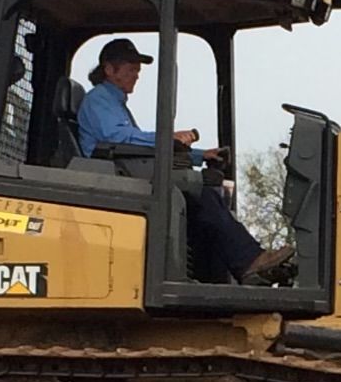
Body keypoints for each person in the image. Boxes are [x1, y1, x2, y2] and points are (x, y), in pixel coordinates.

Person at [77, 38, 293, 283]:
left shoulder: (114, 104)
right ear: (109, 69)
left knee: (207, 194)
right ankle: (248, 262)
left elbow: (140, 145)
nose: (136, 74)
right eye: (131, 68)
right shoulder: (98, 100)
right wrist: (168, 136)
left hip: (127, 168)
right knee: (200, 191)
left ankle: (235, 269)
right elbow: (118, 138)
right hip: (114, 176)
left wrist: (201, 155)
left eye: (138, 69)